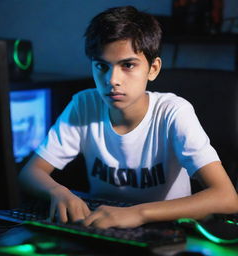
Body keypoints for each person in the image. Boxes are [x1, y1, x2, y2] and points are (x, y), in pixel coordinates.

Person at [19, 6, 238, 229]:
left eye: (128, 65)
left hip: (168, 230)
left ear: (153, 69)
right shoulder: (84, 104)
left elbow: (227, 198)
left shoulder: (173, 112)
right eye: (101, 66)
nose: (112, 79)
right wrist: (58, 192)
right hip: (104, 227)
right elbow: (30, 172)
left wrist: (139, 214)